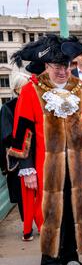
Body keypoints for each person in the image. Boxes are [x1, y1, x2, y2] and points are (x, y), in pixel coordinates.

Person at [8, 35, 82, 265]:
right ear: (46, 67)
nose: (63, 71)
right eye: (57, 66)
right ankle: (50, 264)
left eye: (66, 65)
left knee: (76, 212)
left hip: (78, 167)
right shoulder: (32, 91)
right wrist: (26, 166)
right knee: (52, 214)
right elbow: (22, 131)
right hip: (46, 166)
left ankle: (71, 258)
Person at [0, 73, 30, 239]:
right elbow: (7, 134)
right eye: (25, 86)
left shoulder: (34, 103)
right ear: (17, 89)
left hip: (35, 153)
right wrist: (25, 142)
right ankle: (27, 226)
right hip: (17, 157)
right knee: (21, 194)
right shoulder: (8, 107)